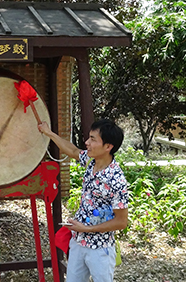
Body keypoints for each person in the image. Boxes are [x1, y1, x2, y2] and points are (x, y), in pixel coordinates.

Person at [38, 119, 129, 282]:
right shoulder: (89, 161)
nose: (87, 142)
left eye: (93, 139)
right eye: (89, 138)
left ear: (108, 147)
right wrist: (49, 133)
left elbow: (121, 222)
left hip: (100, 249)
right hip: (78, 242)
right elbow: (72, 150)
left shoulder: (116, 180)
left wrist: (88, 229)